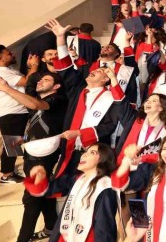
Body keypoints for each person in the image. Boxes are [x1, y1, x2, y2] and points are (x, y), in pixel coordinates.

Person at [0, 72, 68, 242]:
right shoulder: (37, 100)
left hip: (44, 154)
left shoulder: (58, 99)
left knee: (32, 197)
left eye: (47, 80)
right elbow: (38, 121)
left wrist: (6, 88)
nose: (41, 81)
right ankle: (51, 227)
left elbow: (36, 105)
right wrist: (24, 139)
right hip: (32, 151)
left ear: (56, 86)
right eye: (40, 79)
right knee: (41, 192)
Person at [46, 19, 123, 178]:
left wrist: (80, 133)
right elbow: (66, 67)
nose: (93, 71)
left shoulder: (110, 99)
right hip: (70, 147)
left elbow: (109, 126)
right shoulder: (78, 89)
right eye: (94, 70)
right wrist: (60, 38)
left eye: (100, 71)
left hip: (92, 152)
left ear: (106, 80)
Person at [24, 143, 118, 242]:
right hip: (66, 237)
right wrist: (41, 176)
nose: (84, 155)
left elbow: (104, 225)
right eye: (85, 152)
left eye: (92, 153)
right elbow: (48, 190)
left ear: (103, 159)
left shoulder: (105, 187)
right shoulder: (77, 179)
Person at [0, 44, 40, 183]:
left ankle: (9, 172)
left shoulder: (6, 70)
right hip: (9, 113)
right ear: (1, 58)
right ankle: (7, 175)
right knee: (12, 144)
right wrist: (34, 65)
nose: (12, 54)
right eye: (9, 53)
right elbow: (27, 81)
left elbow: (23, 81)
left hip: (14, 112)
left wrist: (29, 68)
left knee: (14, 143)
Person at [115, 93, 166, 166]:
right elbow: (122, 103)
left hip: (152, 167)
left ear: (161, 108)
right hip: (129, 164)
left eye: (154, 101)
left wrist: (142, 158)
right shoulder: (137, 121)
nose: (148, 102)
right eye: (147, 100)